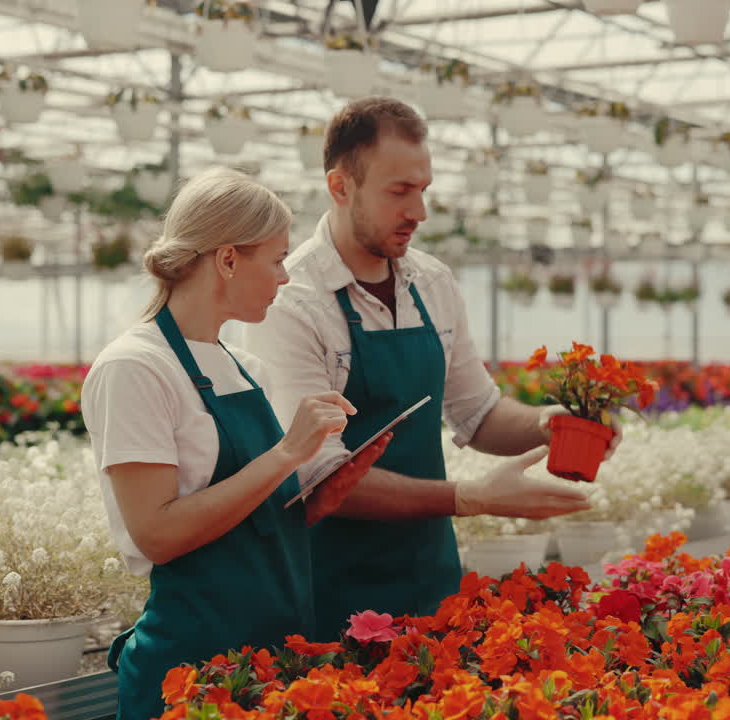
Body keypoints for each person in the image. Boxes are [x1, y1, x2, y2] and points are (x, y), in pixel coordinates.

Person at [242, 97, 620, 640]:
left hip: (432, 580)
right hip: (328, 594)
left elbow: (479, 413)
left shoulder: (431, 282)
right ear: (340, 186)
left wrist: (550, 423)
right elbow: (318, 474)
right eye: (399, 191)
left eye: (423, 190)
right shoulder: (292, 300)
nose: (419, 212)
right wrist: (469, 497)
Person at [80, 167, 392, 720]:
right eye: (276, 261)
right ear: (227, 260)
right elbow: (157, 534)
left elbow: (250, 513)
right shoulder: (135, 368)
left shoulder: (246, 369)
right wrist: (286, 454)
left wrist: (315, 497)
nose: (285, 278)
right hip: (189, 679)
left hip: (271, 666)